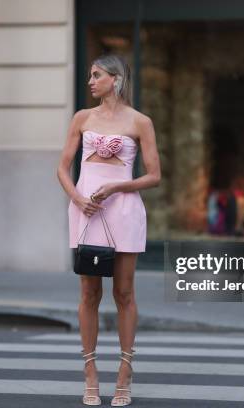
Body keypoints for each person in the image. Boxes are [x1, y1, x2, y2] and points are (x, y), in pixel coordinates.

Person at [57, 54, 161, 406]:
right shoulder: (82, 118)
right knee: (89, 293)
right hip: (86, 211)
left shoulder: (140, 122)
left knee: (124, 293)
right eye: (90, 75)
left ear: (115, 80)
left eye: (97, 75)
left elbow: (154, 175)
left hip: (125, 212)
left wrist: (117, 187)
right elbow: (61, 169)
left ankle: (124, 372)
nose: (91, 81)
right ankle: (90, 373)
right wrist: (77, 197)